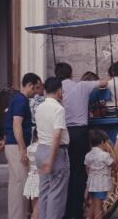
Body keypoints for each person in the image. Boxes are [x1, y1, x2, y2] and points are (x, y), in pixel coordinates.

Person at [55, 62, 108, 219]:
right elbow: (104, 82)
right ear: (71, 74)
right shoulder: (82, 85)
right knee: (79, 172)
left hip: (64, 132)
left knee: (65, 172)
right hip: (80, 132)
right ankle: (77, 212)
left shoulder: (57, 90)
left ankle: (64, 212)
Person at [4, 72, 41, 219]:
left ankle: (15, 215)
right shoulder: (21, 100)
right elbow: (16, 124)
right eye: (36, 88)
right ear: (30, 85)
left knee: (16, 183)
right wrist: (23, 149)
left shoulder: (18, 99)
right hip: (15, 145)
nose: (37, 91)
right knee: (20, 184)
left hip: (12, 144)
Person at [35, 77, 70, 219]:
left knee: (43, 192)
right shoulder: (58, 109)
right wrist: (51, 159)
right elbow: (57, 135)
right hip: (55, 152)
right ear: (59, 90)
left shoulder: (39, 107)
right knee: (56, 195)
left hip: (41, 149)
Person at [84, 129, 116, 219]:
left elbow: (87, 168)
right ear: (103, 142)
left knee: (93, 204)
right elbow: (113, 164)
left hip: (91, 185)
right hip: (101, 185)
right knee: (99, 206)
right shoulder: (105, 155)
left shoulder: (88, 155)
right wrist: (112, 154)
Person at [23, 128, 39, 219]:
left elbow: (28, 163)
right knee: (38, 207)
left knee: (34, 204)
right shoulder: (42, 148)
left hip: (31, 177)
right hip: (40, 178)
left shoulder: (29, 148)